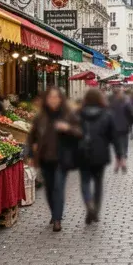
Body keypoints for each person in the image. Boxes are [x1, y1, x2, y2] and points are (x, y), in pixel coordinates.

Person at [25, 87, 82, 232]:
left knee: (58, 187)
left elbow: (80, 132)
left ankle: (57, 219)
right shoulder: (40, 117)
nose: (53, 100)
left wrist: (68, 128)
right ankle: (54, 212)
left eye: (56, 97)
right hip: (45, 158)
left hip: (62, 158)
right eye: (50, 97)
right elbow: (32, 137)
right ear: (46, 99)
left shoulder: (68, 115)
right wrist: (30, 154)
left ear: (61, 99)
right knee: (49, 189)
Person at [77, 89, 114, 224]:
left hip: (83, 153)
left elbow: (74, 134)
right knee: (98, 183)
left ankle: (89, 205)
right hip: (100, 153)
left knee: (85, 182)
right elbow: (112, 135)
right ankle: (96, 211)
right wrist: (120, 154)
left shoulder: (79, 114)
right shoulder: (106, 114)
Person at [108, 91, 133, 173]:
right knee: (124, 144)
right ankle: (123, 161)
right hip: (124, 127)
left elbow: (108, 116)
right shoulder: (126, 104)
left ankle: (117, 162)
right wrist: (129, 123)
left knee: (116, 145)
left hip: (114, 128)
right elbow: (131, 115)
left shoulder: (111, 105)